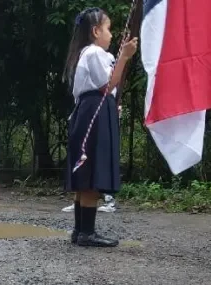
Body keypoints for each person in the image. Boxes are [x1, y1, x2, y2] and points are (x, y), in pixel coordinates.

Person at [63, 7, 136, 247]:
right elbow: (107, 84)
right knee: (92, 169)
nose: (111, 34)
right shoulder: (93, 52)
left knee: (87, 170)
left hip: (92, 110)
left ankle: (80, 230)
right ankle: (86, 233)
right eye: (108, 29)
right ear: (95, 31)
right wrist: (124, 57)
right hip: (94, 112)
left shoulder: (90, 54)